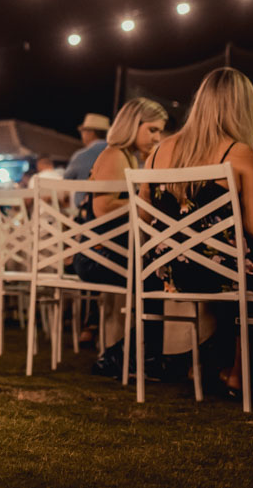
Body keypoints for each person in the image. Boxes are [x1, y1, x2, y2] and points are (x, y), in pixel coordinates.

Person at [138, 67, 253, 395]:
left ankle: (234, 365)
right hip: (220, 272)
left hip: (169, 272)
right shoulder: (237, 153)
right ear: (242, 108)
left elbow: (140, 214)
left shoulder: (157, 152)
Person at [70, 98, 166, 377]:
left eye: (160, 131)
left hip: (103, 252)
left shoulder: (127, 156)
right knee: (158, 277)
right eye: (152, 130)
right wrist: (144, 200)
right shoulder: (115, 156)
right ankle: (126, 357)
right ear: (133, 125)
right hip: (96, 256)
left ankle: (136, 355)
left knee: (157, 274)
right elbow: (102, 209)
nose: (157, 138)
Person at [64, 112, 112, 184]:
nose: (82, 134)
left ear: (91, 132)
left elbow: (66, 179)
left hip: (85, 194)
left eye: (83, 131)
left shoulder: (81, 155)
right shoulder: (117, 153)